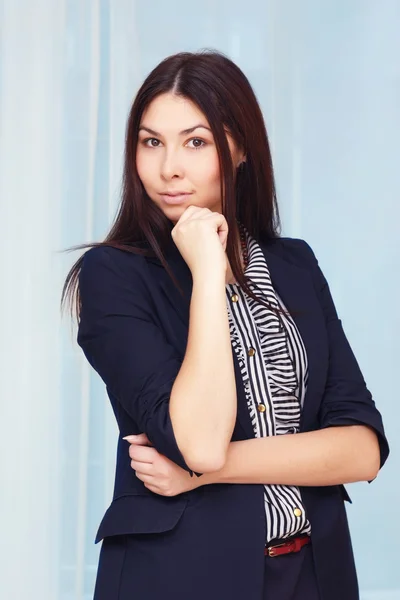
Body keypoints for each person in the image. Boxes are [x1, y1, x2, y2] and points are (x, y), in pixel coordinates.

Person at [61, 49, 389, 600]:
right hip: (181, 576)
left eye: (196, 142)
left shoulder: (295, 264)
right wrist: (209, 272)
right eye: (151, 142)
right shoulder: (112, 275)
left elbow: (362, 450)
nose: (169, 168)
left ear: (237, 148)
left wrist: (206, 474)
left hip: (314, 571)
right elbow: (200, 442)